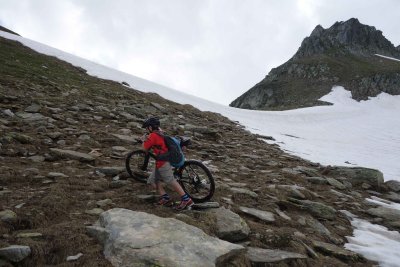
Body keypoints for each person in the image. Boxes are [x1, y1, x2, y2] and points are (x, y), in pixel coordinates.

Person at [141, 117, 194, 210]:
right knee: (152, 180)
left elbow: (144, 149)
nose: (146, 130)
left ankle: (186, 200)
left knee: (171, 181)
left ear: (150, 127)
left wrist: (144, 140)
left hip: (163, 162)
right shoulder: (160, 132)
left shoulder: (152, 136)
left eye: (146, 128)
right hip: (162, 160)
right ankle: (165, 198)